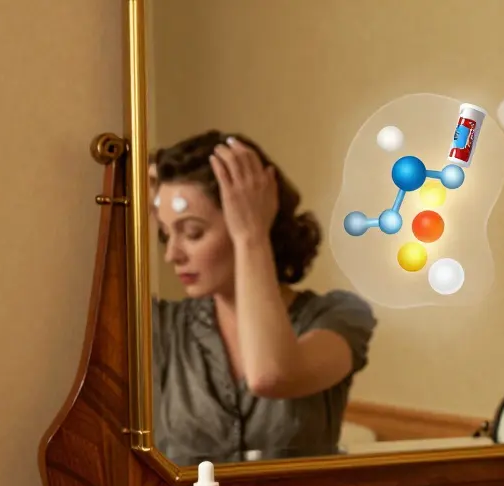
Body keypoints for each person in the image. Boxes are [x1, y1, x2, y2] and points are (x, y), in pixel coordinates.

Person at [149, 130, 377, 465]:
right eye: (166, 234)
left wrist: (252, 236)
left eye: (193, 232)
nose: (172, 254)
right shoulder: (162, 327)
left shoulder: (341, 315)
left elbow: (270, 375)